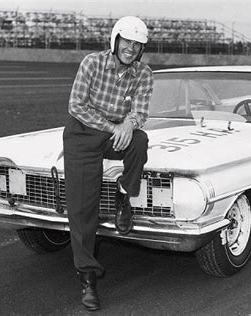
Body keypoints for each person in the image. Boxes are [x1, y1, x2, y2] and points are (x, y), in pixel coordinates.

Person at [62, 16, 153, 311]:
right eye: (126, 41)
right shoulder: (92, 62)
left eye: (137, 44)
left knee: (139, 141)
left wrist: (129, 123)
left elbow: (140, 111)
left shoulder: (144, 73)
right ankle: (87, 277)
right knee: (82, 208)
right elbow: (76, 105)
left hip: (117, 133)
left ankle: (124, 197)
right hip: (84, 132)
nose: (130, 48)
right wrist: (114, 127)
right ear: (115, 41)